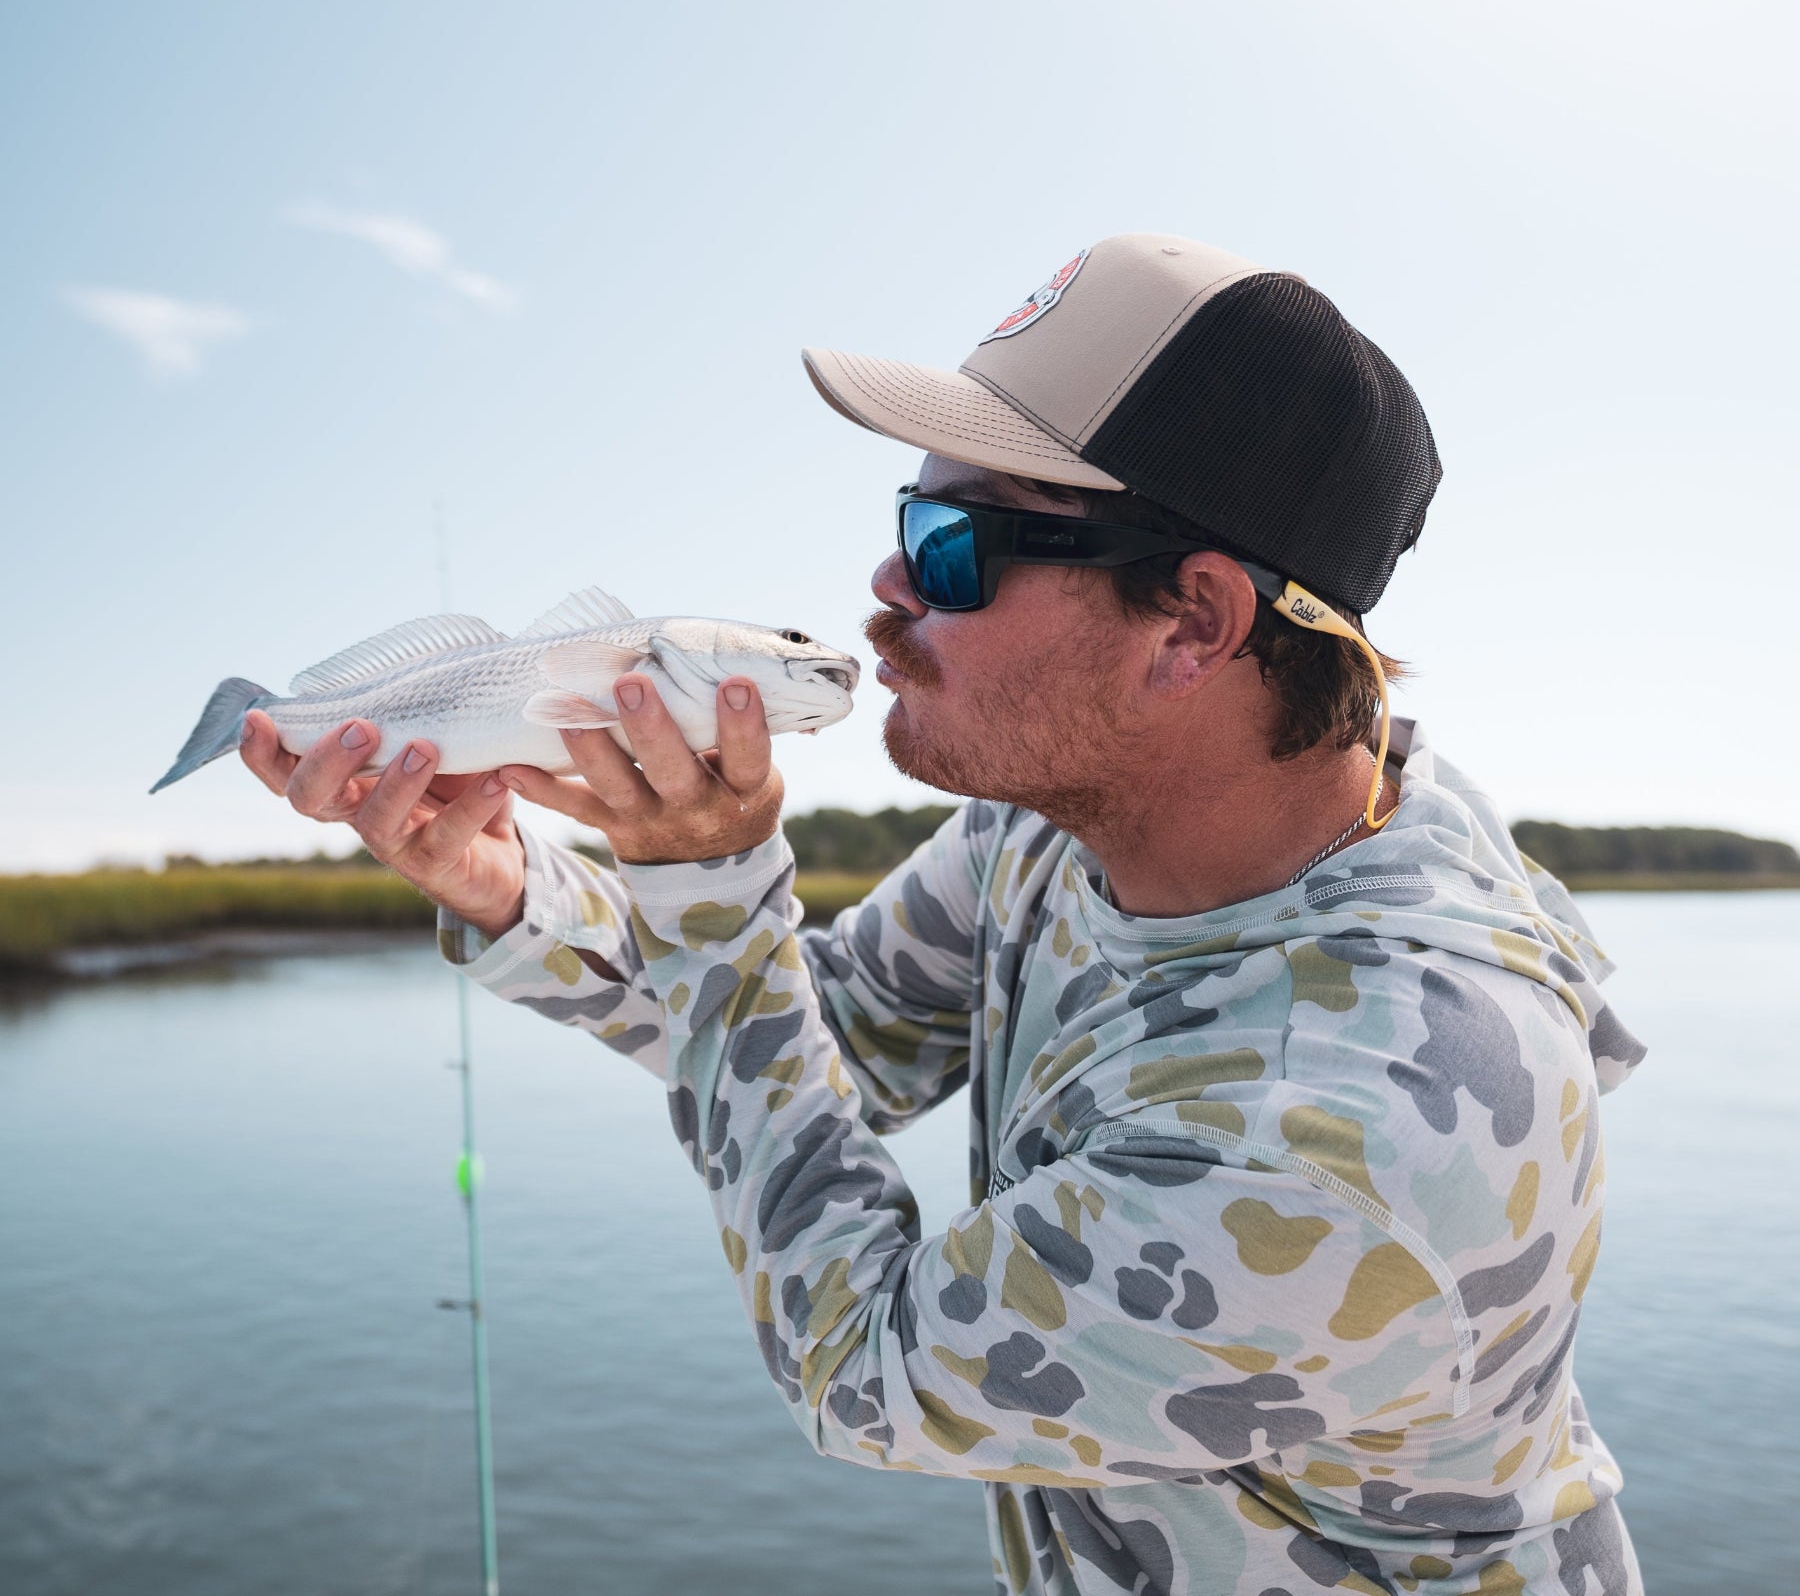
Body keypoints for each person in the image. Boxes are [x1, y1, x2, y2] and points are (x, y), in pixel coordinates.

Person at [242, 235, 1646, 1595]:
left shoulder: (1353, 1140)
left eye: (956, 544)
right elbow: (835, 1037)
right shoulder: (1057, 826)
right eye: (903, 522)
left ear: (1195, 626)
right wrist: (506, 885)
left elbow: (865, 1365)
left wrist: (708, 886)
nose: (889, 586)